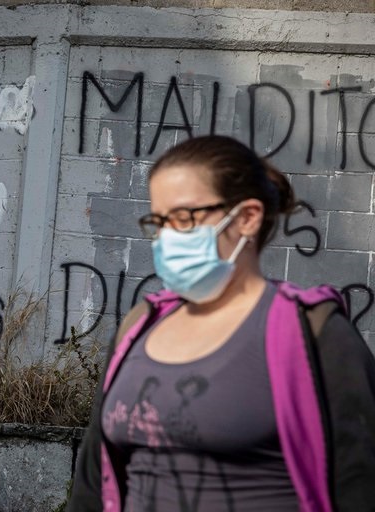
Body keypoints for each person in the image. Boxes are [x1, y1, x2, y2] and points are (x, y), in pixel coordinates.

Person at [66, 135, 375, 512]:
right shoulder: (138, 326)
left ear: (247, 217)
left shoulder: (314, 333)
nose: (165, 238)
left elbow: (359, 484)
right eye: (158, 221)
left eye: (183, 218)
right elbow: (92, 484)